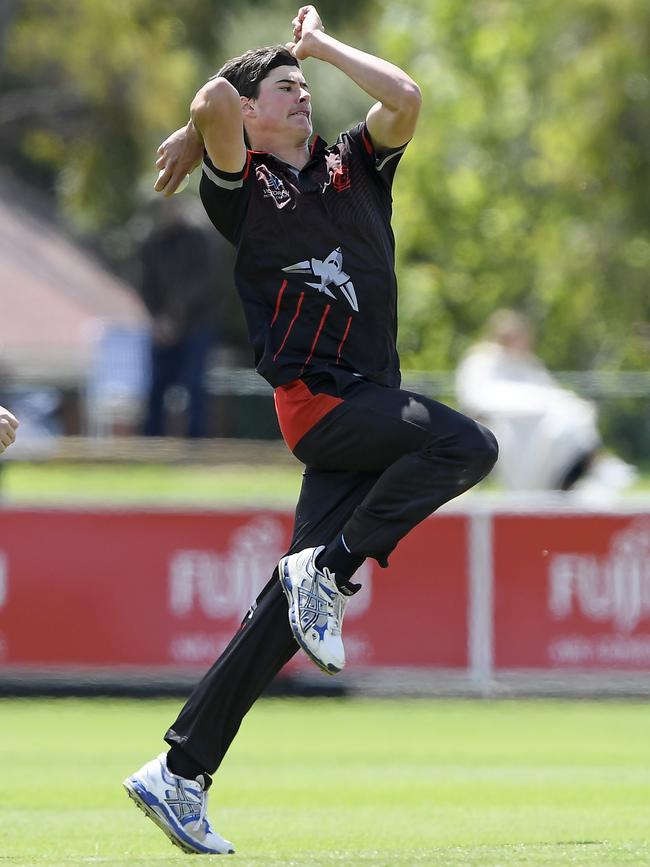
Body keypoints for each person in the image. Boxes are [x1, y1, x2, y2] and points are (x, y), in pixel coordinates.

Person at [124, 6, 498, 855]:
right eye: (286, 89)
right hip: (324, 404)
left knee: (280, 613)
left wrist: (320, 45)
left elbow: (404, 94)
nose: (303, 96)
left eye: (306, 88)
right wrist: (195, 129)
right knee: (468, 445)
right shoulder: (247, 192)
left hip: (369, 404)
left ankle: (178, 771)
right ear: (252, 119)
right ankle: (328, 574)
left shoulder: (353, 167)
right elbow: (217, 94)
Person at [455, 308, 636, 491]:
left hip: (536, 427)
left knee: (567, 422)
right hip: (499, 429)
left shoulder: (527, 363)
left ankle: (584, 469)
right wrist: (528, 404)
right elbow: (478, 399)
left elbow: (547, 391)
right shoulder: (482, 361)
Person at [139, 202, 224, 438]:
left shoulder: (199, 238)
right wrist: (158, 319)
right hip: (163, 326)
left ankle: (196, 444)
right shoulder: (152, 242)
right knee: (156, 386)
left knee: (194, 383)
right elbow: (145, 285)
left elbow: (206, 284)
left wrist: (176, 312)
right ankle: (151, 444)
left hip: (196, 324)